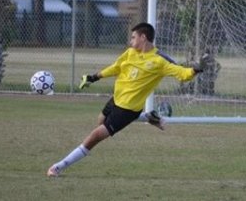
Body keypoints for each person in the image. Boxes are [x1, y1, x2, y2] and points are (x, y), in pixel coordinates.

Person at [47, 22, 209, 177]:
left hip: (127, 109)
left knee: (94, 137)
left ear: (143, 37)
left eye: (133, 37)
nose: (130, 40)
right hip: (116, 99)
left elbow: (182, 74)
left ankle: (58, 167)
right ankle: (147, 116)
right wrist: (94, 77)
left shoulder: (160, 60)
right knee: (100, 121)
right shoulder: (130, 53)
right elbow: (116, 66)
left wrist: (196, 69)